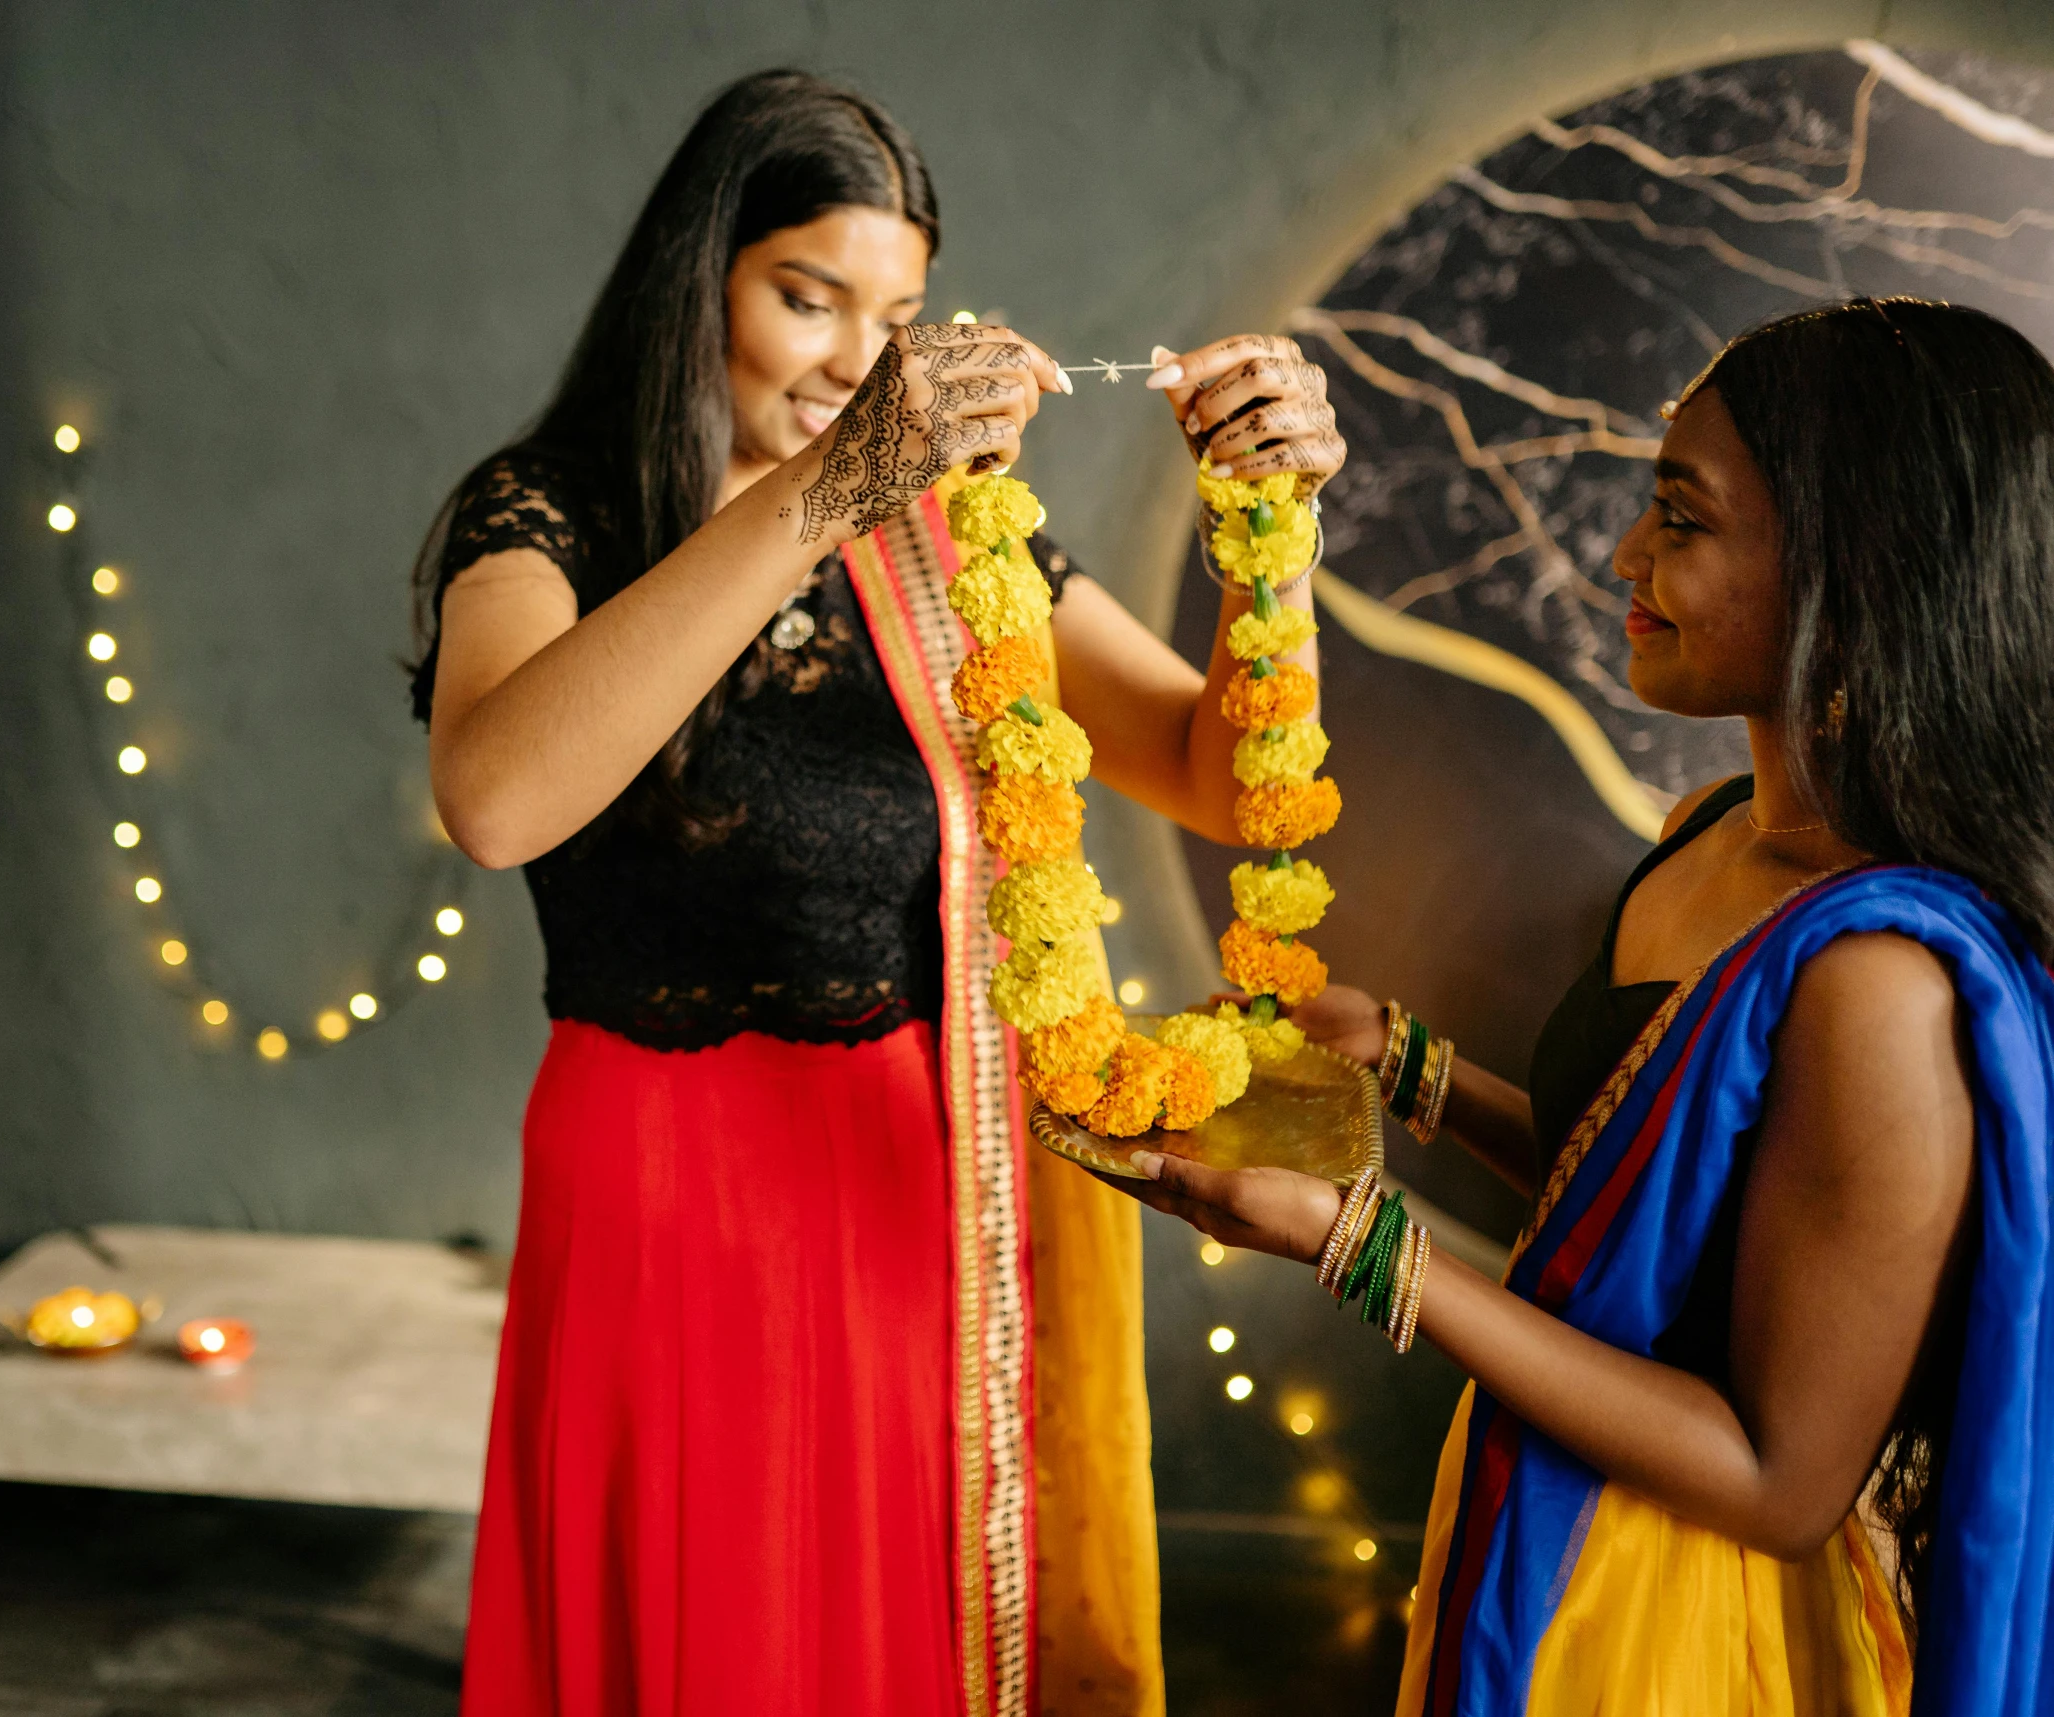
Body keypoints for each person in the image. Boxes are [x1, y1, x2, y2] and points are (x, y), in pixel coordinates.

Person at [410, 69, 1343, 1717]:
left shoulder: (939, 531)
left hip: (924, 1195)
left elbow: (1204, 771)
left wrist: (1265, 530)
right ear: (693, 282)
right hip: (676, 1211)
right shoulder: (553, 514)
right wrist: (823, 496)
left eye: (892, 315)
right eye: (805, 297)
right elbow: (495, 800)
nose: (854, 358)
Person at [1111, 297, 2054, 1713]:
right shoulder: (1716, 830)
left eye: (1680, 523)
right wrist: (1412, 1072)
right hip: (1534, 1524)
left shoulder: (1881, 984)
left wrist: (1361, 1248)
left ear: (1853, 574)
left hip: (1695, 1628)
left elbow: (1773, 1477)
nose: (1624, 556)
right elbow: (1659, 1228)